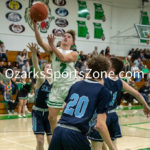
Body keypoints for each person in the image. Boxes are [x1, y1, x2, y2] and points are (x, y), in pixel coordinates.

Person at [48, 55, 116, 150]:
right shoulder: (103, 91)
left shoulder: (76, 85)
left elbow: (66, 108)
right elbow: (100, 125)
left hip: (58, 131)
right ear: (105, 72)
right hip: (76, 135)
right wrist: (113, 148)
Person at [88, 57, 150, 150]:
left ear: (111, 69)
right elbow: (137, 94)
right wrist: (145, 106)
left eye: (107, 64)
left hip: (101, 116)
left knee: (96, 147)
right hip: (113, 116)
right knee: (113, 146)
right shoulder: (120, 82)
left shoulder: (101, 79)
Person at [32, 20, 78, 133]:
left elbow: (63, 58)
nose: (66, 38)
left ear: (72, 42)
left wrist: (52, 45)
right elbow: (40, 42)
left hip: (70, 87)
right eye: (64, 36)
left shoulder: (74, 53)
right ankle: (56, 139)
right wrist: (35, 26)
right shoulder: (53, 50)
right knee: (51, 118)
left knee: (73, 118)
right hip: (56, 87)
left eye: (69, 37)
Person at [27, 43, 52, 150]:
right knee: (40, 140)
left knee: (52, 141)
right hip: (37, 112)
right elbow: (36, 66)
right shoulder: (41, 79)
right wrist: (34, 54)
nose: (49, 68)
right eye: (47, 67)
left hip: (49, 113)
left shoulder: (56, 81)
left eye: (51, 67)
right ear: (43, 70)